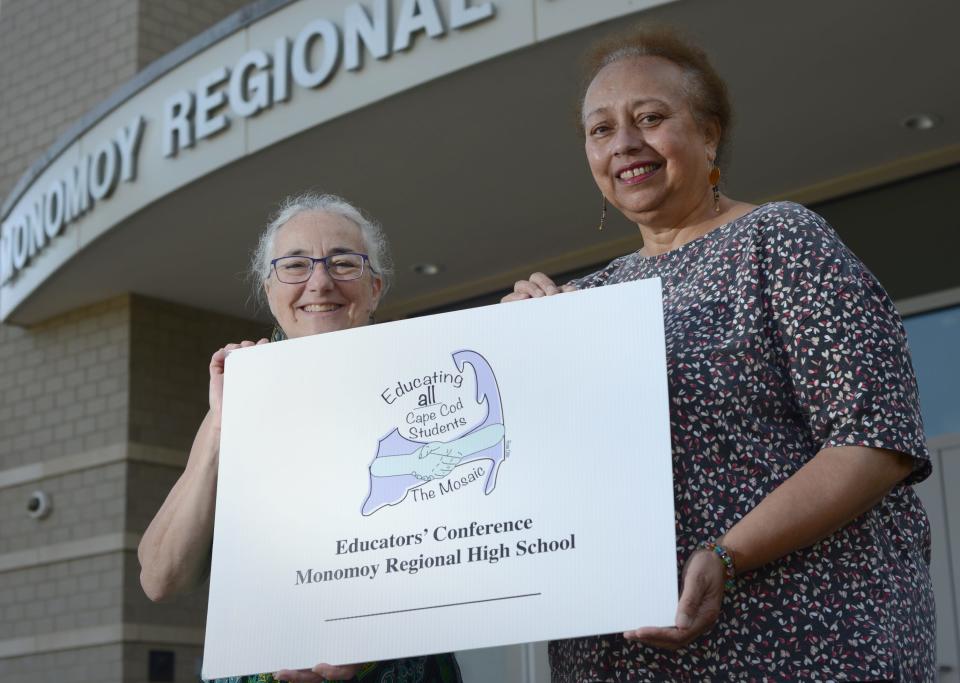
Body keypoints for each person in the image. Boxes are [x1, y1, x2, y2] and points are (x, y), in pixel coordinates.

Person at [504, 27, 934, 682]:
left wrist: (725, 554)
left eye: (650, 118)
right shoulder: (582, 302)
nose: (624, 142)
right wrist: (522, 359)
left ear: (709, 136)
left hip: (800, 643)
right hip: (625, 660)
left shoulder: (779, 241)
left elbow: (873, 441)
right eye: (601, 129)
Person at [138, 193, 462, 683]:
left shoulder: (429, 386)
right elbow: (161, 577)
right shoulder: (244, 391)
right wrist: (224, 424)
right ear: (269, 289)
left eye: (343, 263)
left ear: (374, 288)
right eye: (294, 265)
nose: (320, 281)